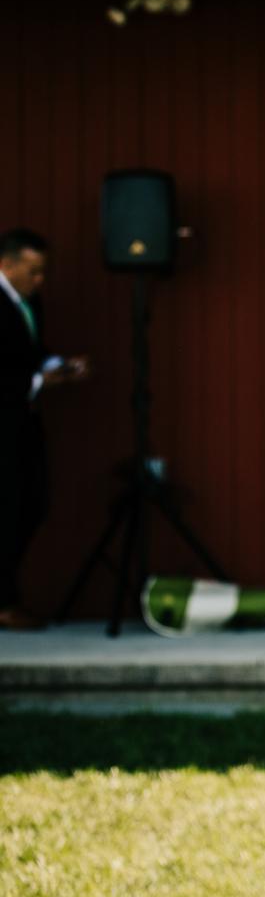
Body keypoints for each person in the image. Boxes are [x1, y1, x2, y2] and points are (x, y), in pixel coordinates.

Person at [0, 228, 88, 630]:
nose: (40, 280)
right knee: (11, 509)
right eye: (33, 271)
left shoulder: (28, 303)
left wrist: (56, 365)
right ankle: (5, 603)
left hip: (24, 422)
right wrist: (37, 383)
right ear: (8, 263)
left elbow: (27, 354)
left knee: (31, 504)